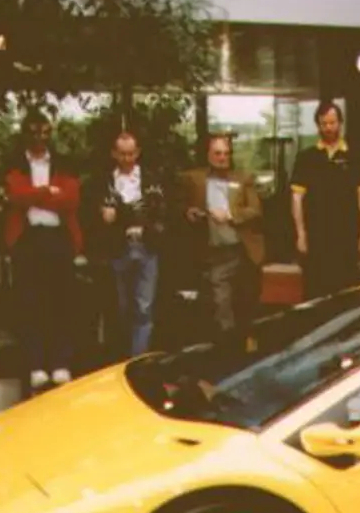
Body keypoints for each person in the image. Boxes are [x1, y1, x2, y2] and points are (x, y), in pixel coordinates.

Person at [2, 112, 84, 392]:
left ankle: (60, 362)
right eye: (35, 132)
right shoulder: (15, 163)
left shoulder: (64, 163)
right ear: (26, 134)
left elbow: (71, 199)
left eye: (45, 132)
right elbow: (16, 194)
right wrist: (49, 192)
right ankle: (35, 364)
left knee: (61, 302)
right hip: (27, 238)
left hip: (58, 238)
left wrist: (35, 195)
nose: (40, 138)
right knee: (29, 304)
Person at [170, 133, 266, 347]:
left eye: (226, 153)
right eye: (218, 153)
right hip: (212, 252)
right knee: (219, 302)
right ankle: (228, 346)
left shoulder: (243, 179)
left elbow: (255, 210)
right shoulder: (194, 179)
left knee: (244, 302)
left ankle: (245, 345)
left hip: (241, 250)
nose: (222, 158)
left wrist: (230, 215)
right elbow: (177, 202)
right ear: (208, 155)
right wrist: (188, 211)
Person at [86, 130, 169, 358]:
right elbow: (94, 216)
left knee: (144, 307)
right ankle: (119, 358)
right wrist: (105, 215)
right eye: (122, 154)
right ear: (114, 153)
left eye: (131, 153)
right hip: (117, 249)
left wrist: (123, 216)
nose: (127, 159)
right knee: (119, 307)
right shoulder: (103, 182)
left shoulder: (152, 180)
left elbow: (162, 213)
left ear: (138, 152)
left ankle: (138, 358)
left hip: (146, 247)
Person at [291, 101, 360, 299]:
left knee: (346, 290)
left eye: (332, 123)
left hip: (346, 234)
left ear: (340, 123)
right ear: (318, 125)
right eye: (324, 123)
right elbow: (296, 198)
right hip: (316, 236)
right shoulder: (306, 158)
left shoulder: (355, 155)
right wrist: (301, 234)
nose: (328, 128)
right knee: (315, 289)